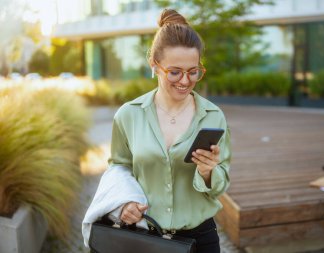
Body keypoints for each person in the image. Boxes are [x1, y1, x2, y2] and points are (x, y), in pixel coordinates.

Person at [83, 9, 231, 253]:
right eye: (174, 72)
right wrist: (124, 205)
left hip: (201, 239)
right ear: (154, 65)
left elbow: (221, 184)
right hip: (144, 238)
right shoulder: (128, 115)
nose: (185, 81)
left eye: (193, 71)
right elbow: (119, 168)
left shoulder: (213, 116)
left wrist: (208, 172)